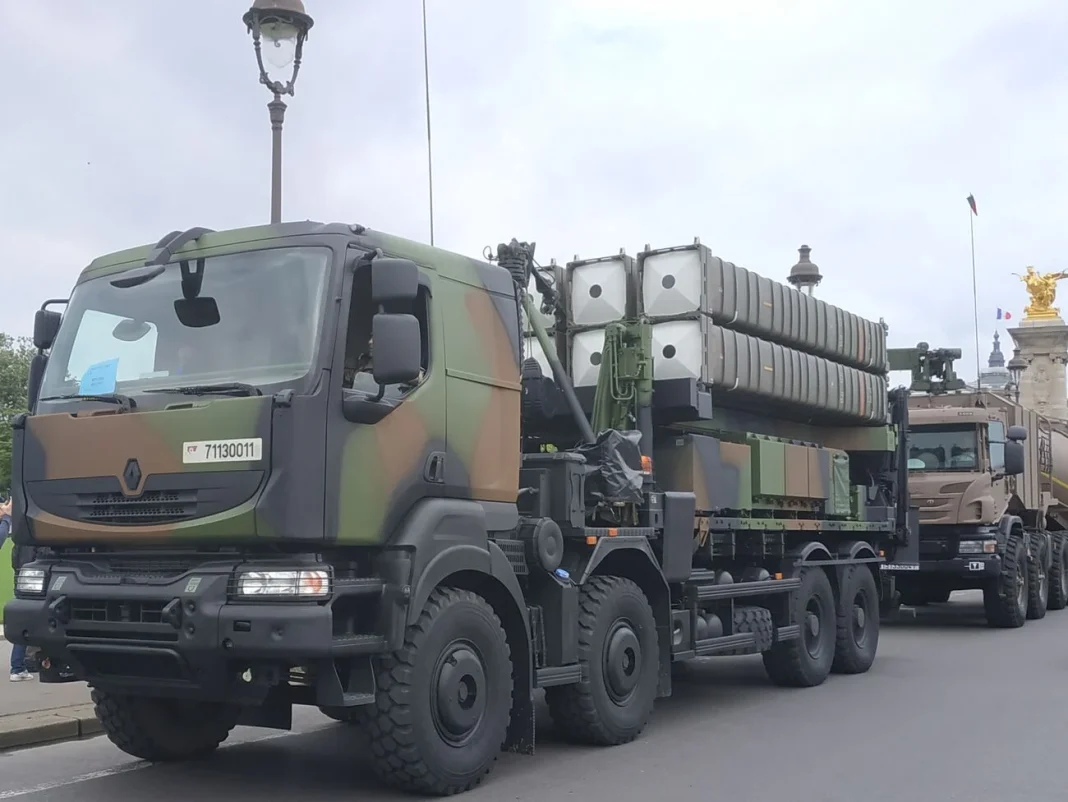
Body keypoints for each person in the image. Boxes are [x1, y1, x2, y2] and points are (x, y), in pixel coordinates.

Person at [0, 498, 32, 682]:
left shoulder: (20, 542)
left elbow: (14, 561)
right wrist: (6, 517)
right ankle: (19, 666)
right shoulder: (31, 541)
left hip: (21, 578)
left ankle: (22, 664)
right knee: (26, 623)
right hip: (30, 581)